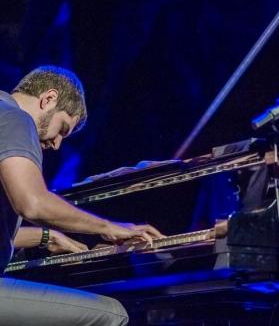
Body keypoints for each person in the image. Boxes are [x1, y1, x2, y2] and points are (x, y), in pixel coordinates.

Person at [0, 65, 163, 326]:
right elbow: (33, 204)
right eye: (63, 128)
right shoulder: (16, 119)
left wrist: (46, 236)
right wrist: (108, 227)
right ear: (49, 98)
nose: (56, 144)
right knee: (111, 315)